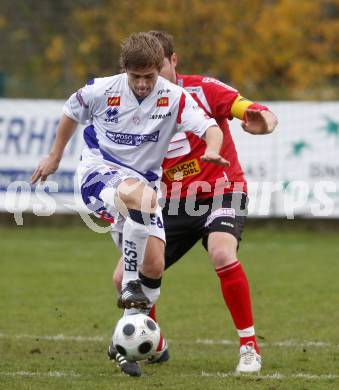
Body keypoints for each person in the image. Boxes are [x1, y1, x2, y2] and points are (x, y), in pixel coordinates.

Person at [31, 32, 228, 377]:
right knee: (142, 206)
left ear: (159, 69)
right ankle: (130, 289)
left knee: (153, 265)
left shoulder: (174, 97)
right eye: (135, 77)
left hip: (145, 189)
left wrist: (212, 148)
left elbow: (210, 127)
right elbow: (70, 112)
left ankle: (122, 341)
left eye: (148, 77)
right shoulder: (102, 90)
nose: (141, 84)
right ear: (125, 71)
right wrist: (54, 155)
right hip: (99, 173)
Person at [110, 31, 278, 376]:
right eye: (143, 75)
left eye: (157, 71)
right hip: (172, 204)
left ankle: (249, 347)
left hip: (220, 189)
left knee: (221, 252)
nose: (150, 81)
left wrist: (262, 116)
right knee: (124, 278)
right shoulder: (132, 104)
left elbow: (242, 106)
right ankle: (153, 341)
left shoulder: (201, 90)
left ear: (172, 62)